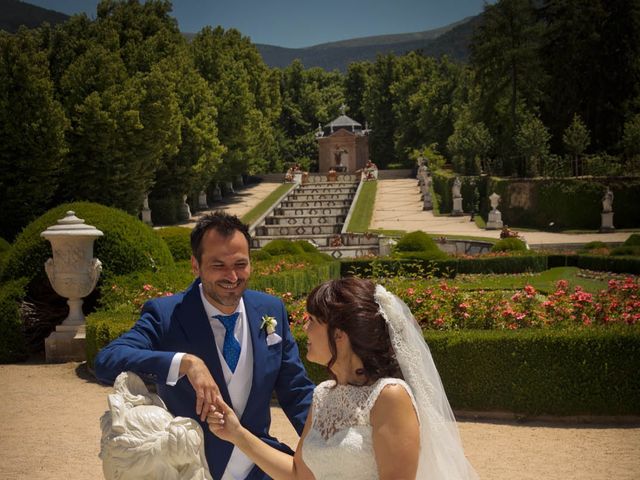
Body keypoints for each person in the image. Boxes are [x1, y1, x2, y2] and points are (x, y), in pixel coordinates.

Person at [94, 211, 315, 480]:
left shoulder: (271, 309)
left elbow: (297, 392)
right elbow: (107, 360)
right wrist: (186, 363)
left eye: (240, 264)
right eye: (218, 265)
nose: (232, 276)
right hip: (194, 469)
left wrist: (330, 444)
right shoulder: (166, 315)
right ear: (195, 265)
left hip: (259, 468)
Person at [207, 278, 478, 479]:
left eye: (312, 320)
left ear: (339, 335)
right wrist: (237, 433)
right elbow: (299, 474)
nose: (305, 328)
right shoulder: (323, 394)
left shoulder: (390, 396)